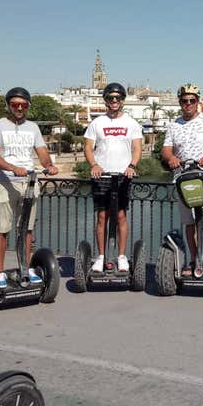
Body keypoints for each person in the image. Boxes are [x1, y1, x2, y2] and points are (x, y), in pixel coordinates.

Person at [0, 87, 58, 288]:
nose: (19, 108)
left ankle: (25, 268)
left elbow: (41, 152)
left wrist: (48, 166)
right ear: (8, 105)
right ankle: (0, 273)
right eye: (15, 104)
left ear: (28, 106)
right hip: (6, 182)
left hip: (29, 183)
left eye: (23, 105)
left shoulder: (33, 127)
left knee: (27, 229)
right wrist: (12, 168)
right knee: (1, 229)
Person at [161, 83, 203, 277]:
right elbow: (166, 148)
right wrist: (171, 158)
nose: (188, 104)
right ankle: (193, 259)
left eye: (192, 100)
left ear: (197, 102)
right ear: (180, 102)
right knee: (189, 223)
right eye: (184, 101)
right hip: (183, 180)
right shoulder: (174, 125)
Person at [83, 82, 143, 273]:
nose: (114, 101)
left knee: (121, 215)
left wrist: (132, 166)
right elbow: (87, 147)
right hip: (102, 175)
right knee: (102, 216)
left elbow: (137, 148)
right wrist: (94, 164)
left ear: (123, 100)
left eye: (118, 98)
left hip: (123, 176)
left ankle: (122, 256)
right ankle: (101, 257)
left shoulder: (131, 123)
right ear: (106, 100)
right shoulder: (97, 123)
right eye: (110, 98)